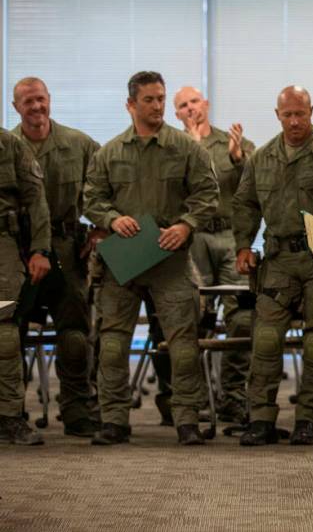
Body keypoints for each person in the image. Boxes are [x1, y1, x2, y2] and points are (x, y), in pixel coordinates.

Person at [83, 70, 219, 445]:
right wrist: (113, 218)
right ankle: (114, 420)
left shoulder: (186, 147)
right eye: (149, 99)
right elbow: (91, 200)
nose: (157, 106)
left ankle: (187, 420)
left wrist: (187, 225)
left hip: (169, 256)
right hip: (123, 260)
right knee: (112, 343)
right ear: (130, 105)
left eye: (161, 98)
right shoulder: (109, 153)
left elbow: (208, 194)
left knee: (183, 344)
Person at [232, 85, 313, 445]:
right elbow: (245, 204)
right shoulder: (262, 157)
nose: (295, 121)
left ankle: (309, 417)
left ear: (312, 112)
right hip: (277, 259)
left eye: (301, 114)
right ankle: (260, 417)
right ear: (277, 115)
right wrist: (243, 245)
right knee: (264, 338)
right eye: (288, 114)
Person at [11, 77, 101, 437]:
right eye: (28, 102)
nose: (36, 107)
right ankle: (10, 411)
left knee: (76, 333)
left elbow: (109, 183)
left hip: (66, 248)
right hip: (16, 252)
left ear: (50, 100)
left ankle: (77, 409)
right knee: (9, 334)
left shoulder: (77, 144)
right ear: (16, 107)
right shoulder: (7, 147)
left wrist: (101, 227)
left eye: (40, 99)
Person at [173, 86, 256, 423]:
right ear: (176, 114)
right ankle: (197, 396)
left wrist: (238, 158)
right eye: (182, 105)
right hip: (192, 237)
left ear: (205, 104)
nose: (190, 108)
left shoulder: (231, 141)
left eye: (194, 101)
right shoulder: (173, 145)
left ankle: (233, 395)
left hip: (229, 235)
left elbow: (256, 181)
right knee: (195, 318)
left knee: (241, 316)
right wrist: (192, 147)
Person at [0, 120, 51, 445]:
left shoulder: (9, 145)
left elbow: (36, 199)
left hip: (3, 244)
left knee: (4, 332)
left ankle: (9, 416)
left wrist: (40, 249)